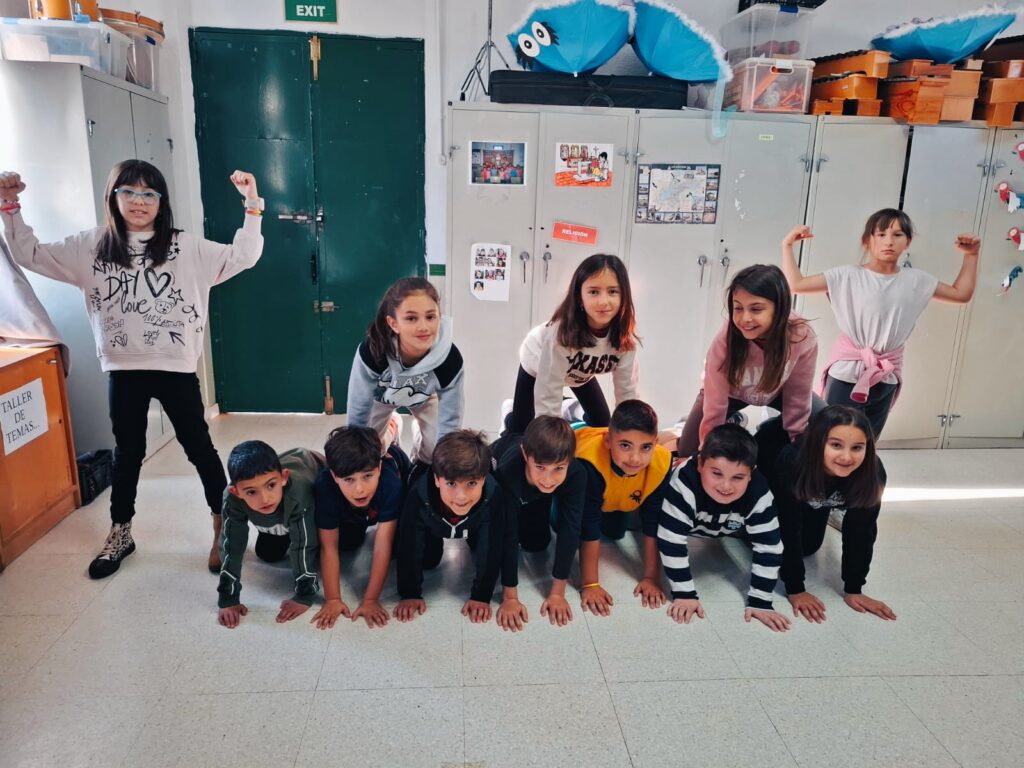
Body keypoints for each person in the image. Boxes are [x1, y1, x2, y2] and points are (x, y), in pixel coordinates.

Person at [0, 162, 263, 579]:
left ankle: (223, 524)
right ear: (113, 197)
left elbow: (244, 256)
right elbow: (29, 253)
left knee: (199, 447)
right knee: (128, 453)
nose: (139, 202)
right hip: (124, 369)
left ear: (162, 201)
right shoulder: (91, 246)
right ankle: (120, 532)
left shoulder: (187, 247)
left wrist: (251, 204)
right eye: (128, 192)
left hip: (175, 367)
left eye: (149, 194)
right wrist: (10, 207)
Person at [781, 210, 980, 438]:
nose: (889, 241)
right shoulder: (847, 275)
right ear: (867, 240)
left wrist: (971, 255)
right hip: (847, 373)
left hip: (887, 374)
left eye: (897, 235)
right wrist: (787, 246)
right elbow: (796, 284)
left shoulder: (916, 280)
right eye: (881, 234)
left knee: (867, 441)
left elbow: (961, 294)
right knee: (834, 438)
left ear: (908, 242)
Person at [678, 264, 817, 471]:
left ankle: (769, 430)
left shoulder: (801, 336)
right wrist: (709, 446)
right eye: (738, 308)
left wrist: (797, 440)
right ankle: (734, 421)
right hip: (731, 393)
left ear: (780, 308)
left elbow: (799, 391)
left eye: (756, 309)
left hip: (780, 390)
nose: (745, 318)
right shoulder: (726, 339)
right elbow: (715, 400)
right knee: (688, 448)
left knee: (821, 422)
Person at [658, 424, 789, 632]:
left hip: (724, 524)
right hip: (686, 510)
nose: (726, 486)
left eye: (738, 477)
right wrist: (684, 593)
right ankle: (675, 431)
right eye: (717, 473)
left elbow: (769, 547)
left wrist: (761, 600)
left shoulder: (759, 493)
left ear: (751, 473)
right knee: (663, 451)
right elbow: (671, 540)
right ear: (700, 464)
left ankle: (733, 423)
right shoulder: (684, 482)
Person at [769, 405, 894, 622]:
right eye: (836, 445)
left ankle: (820, 504)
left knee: (808, 546)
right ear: (818, 443)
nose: (847, 457)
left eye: (857, 447)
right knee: (762, 536)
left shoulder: (873, 472)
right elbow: (787, 524)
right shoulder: (792, 462)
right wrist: (795, 588)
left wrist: (854, 588)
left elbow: (861, 531)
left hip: (816, 493)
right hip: (770, 454)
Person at [505, 254, 639, 433]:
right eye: (594, 292)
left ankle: (568, 406)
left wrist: (632, 431)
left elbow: (627, 393)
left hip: (579, 372)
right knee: (520, 429)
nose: (603, 301)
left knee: (601, 424)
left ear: (624, 295)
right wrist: (552, 435)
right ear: (579, 297)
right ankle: (509, 411)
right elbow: (548, 394)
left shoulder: (624, 339)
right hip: (538, 362)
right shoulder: (560, 336)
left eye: (613, 291)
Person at [393, 430, 516, 625]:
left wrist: (481, 596)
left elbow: (492, 547)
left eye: (471, 483)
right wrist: (410, 594)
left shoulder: (493, 494)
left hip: (474, 521)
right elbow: (409, 546)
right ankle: (418, 434)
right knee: (429, 560)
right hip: (434, 522)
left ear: (484, 479)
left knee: (480, 549)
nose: (461, 496)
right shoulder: (418, 495)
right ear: (437, 479)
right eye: (451, 483)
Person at [347, 277, 464, 469]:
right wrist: (356, 446)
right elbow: (358, 404)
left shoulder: (449, 359)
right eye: (411, 318)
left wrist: (442, 457)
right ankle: (392, 428)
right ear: (393, 323)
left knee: (437, 451)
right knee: (369, 449)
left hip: (426, 397)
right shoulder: (373, 350)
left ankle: (420, 433)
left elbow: (451, 417)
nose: (424, 327)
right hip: (381, 398)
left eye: (430, 317)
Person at [574, 399, 670, 617]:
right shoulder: (589, 463)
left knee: (616, 532)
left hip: (615, 497)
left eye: (645, 447)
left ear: (656, 443)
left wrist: (651, 578)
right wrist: (590, 584)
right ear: (608, 441)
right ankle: (572, 410)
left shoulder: (661, 463)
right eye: (625, 445)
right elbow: (589, 525)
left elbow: (653, 522)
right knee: (562, 524)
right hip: (575, 443)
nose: (635, 458)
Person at [491, 416, 587, 629]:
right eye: (541, 467)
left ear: (570, 460)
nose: (549, 478)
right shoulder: (507, 473)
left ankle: (535, 490)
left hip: (535, 493)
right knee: (486, 543)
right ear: (526, 455)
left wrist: (558, 593)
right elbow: (507, 533)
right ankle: (510, 423)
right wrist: (510, 597)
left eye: (558, 468)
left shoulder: (577, 474)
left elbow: (571, 528)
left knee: (537, 544)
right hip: (503, 468)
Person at [310, 426, 409, 630]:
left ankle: (391, 429)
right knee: (347, 544)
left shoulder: (391, 485)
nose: (360, 489)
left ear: (379, 468)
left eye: (367, 476)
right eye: (349, 479)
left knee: (401, 548)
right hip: (355, 509)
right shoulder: (325, 486)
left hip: (398, 473)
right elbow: (329, 546)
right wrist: (332, 599)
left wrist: (370, 600)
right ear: (334, 476)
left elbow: (382, 545)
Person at [217, 441, 322, 628]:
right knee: (268, 553)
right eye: (251, 492)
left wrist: (304, 595)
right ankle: (285, 521)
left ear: (283, 478)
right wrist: (228, 598)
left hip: (314, 466)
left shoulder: (300, 490)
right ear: (236, 492)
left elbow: (304, 544)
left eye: (271, 485)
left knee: (341, 543)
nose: (264, 499)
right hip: (283, 500)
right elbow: (231, 543)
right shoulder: (231, 498)